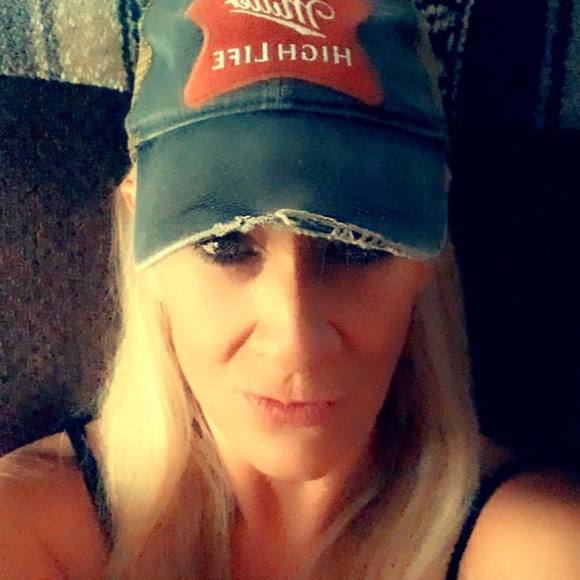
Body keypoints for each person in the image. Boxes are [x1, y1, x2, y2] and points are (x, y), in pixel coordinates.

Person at [1, 1, 579, 579]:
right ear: (139, 238)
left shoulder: (540, 545)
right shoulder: (24, 525)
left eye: (357, 245)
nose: (295, 342)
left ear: (433, 242)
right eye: (223, 243)